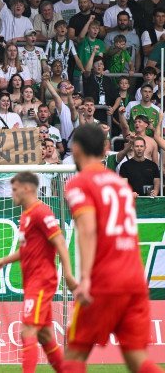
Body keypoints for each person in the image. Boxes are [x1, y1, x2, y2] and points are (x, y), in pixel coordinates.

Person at [62, 124, 163, 372]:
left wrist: (85, 278)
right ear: (106, 149)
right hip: (134, 279)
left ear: (75, 149)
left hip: (105, 281)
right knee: (137, 359)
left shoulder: (79, 183)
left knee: (73, 354)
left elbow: (87, 229)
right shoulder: (120, 185)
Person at [0, 172, 76, 373]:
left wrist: (68, 275)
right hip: (32, 282)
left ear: (27, 189)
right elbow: (27, 249)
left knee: (27, 331)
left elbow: (60, 241)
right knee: (44, 336)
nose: (12, 194)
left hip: (42, 281)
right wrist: (3, 261)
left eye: (15, 189)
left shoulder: (41, 212)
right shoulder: (26, 215)